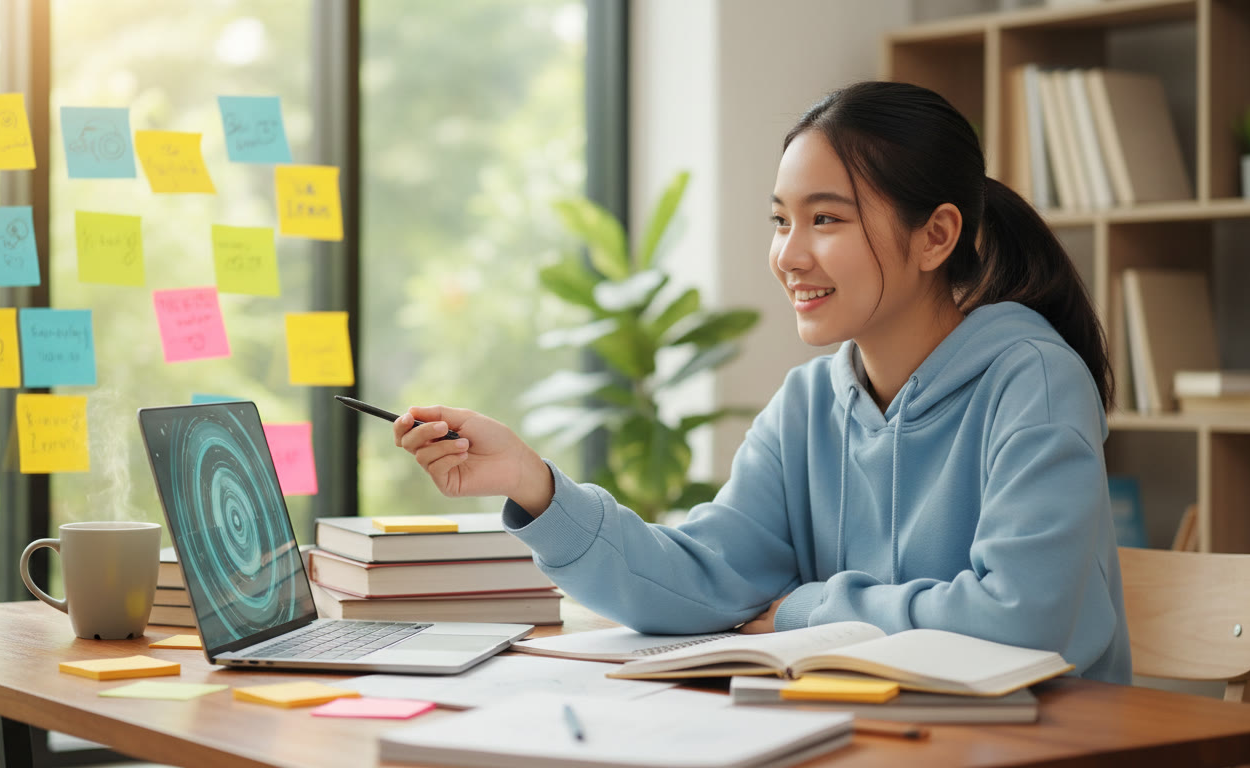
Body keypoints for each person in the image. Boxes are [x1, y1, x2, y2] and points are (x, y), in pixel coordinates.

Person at [394, 81, 1131, 683]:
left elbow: (1018, 621)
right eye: (782, 220)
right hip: (872, 741)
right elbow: (700, 581)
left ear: (936, 235)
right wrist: (534, 484)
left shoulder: (1034, 383)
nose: (790, 255)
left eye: (826, 220)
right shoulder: (809, 402)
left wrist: (803, 610)